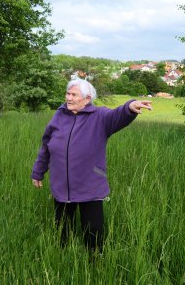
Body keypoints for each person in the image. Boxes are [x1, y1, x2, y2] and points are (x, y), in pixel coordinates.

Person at [31, 79, 152, 254]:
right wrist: (38, 172)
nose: (69, 98)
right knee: (62, 228)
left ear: (87, 99)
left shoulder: (100, 116)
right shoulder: (59, 116)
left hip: (89, 182)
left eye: (74, 95)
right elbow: (46, 146)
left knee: (93, 230)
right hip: (62, 184)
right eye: (68, 94)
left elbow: (117, 115)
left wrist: (130, 106)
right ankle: (63, 255)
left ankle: (95, 260)